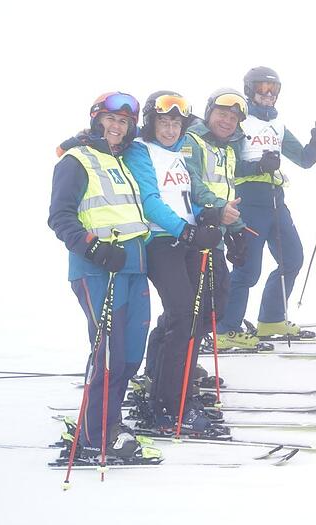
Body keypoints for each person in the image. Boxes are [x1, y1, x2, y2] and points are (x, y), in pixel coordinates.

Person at [123, 91, 233, 437]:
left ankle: (176, 391)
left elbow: (185, 200)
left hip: (185, 242)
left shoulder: (179, 152)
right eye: (163, 122)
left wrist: (209, 216)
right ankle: (168, 406)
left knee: (197, 316)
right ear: (151, 124)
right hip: (161, 243)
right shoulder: (142, 151)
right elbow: (151, 202)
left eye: (175, 123)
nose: (169, 130)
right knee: (183, 315)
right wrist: (186, 232)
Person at [48, 92, 150, 461]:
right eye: (111, 119)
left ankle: (112, 420)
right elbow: (60, 217)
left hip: (134, 268)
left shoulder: (124, 162)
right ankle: (95, 433)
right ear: (95, 120)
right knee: (109, 353)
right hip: (98, 269)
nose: (117, 127)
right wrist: (93, 248)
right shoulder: (77, 161)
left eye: (124, 122)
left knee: (130, 354)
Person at [218, 67, 316, 342]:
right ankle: (226, 329)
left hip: (276, 202)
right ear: (249, 91)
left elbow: (304, 159)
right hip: (249, 202)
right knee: (248, 269)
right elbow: (226, 166)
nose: (268, 95)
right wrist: (257, 165)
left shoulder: (278, 125)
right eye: (262, 89)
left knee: (292, 259)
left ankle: (271, 319)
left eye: (273, 89)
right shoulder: (240, 124)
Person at [182, 89, 269, 353]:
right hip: (194, 234)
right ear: (209, 112)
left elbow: (227, 192)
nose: (227, 121)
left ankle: (188, 363)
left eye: (234, 118)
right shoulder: (192, 141)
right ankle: (164, 371)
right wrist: (220, 211)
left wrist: (237, 230)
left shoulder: (228, 148)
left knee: (214, 304)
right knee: (189, 308)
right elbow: (193, 183)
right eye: (222, 114)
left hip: (216, 234)